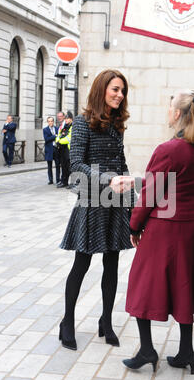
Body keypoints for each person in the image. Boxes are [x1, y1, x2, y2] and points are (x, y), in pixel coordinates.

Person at [123, 90, 194, 375]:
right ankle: (186, 351)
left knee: (142, 284)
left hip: (166, 228)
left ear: (176, 114)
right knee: (185, 283)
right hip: (193, 228)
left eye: (170, 107)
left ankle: (148, 350)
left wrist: (134, 225)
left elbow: (150, 194)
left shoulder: (168, 149)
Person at [59, 69, 134, 351]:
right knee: (82, 263)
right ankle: (67, 321)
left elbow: (122, 163)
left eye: (123, 91)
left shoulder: (116, 124)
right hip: (92, 200)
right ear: (102, 89)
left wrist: (133, 203)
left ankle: (106, 321)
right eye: (115, 89)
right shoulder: (82, 123)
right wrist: (107, 179)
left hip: (116, 201)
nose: (120, 95)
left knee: (112, 264)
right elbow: (75, 165)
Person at [55, 111, 73, 188]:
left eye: (67, 118)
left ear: (71, 119)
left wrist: (59, 141)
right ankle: (64, 181)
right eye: (65, 119)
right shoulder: (64, 126)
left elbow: (69, 138)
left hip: (69, 150)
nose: (66, 120)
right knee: (64, 166)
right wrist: (57, 140)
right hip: (62, 149)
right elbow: (59, 135)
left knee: (70, 167)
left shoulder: (73, 126)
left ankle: (72, 183)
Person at [43, 116, 61, 185]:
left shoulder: (57, 128)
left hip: (56, 149)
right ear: (47, 122)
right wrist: (54, 136)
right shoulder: (45, 130)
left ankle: (58, 180)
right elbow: (46, 139)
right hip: (49, 150)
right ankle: (50, 180)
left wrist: (56, 136)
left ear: (53, 122)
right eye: (49, 121)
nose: (50, 122)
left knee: (57, 165)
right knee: (49, 166)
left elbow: (59, 137)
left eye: (51, 121)